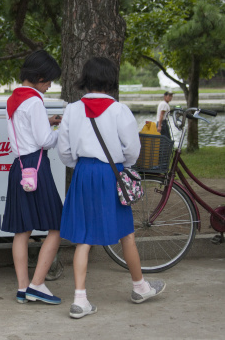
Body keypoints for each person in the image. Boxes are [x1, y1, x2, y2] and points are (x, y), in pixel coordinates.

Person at [57, 57, 166, 319]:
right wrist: (121, 165)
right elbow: (132, 150)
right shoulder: (119, 110)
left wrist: (81, 164)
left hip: (83, 173)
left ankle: (79, 300)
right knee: (126, 233)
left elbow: (64, 151)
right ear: (110, 79)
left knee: (83, 237)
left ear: (86, 79)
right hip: (111, 174)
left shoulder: (72, 109)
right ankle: (140, 287)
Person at [2, 50, 64, 305]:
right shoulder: (36, 102)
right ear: (39, 76)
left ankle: (22, 287)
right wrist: (62, 130)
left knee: (21, 231)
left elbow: (24, 128)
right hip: (37, 166)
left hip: (19, 166)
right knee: (57, 226)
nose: (50, 84)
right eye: (48, 79)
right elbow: (45, 140)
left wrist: (46, 121)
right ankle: (38, 284)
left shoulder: (14, 99)